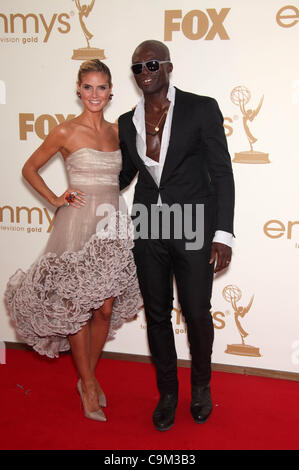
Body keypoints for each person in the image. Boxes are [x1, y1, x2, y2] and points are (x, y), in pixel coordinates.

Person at [5, 59, 141, 422]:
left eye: (101, 87)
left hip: (111, 223)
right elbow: (29, 168)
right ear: (78, 91)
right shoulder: (65, 131)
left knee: (106, 308)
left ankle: (88, 377)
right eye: (87, 87)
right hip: (77, 223)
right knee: (78, 308)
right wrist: (54, 199)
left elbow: (123, 175)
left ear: (111, 91)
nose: (94, 94)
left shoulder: (118, 132)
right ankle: (89, 384)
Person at [118, 40, 235, 431]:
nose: (145, 71)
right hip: (149, 226)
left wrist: (223, 233)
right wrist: (85, 185)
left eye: (151, 63)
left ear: (167, 66)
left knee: (197, 313)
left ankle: (200, 386)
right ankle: (168, 392)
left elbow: (221, 173)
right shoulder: (126, 121)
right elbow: (124, 176)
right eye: (137, 67)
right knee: (156, 315)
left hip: (193, 224)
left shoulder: (201, 108)